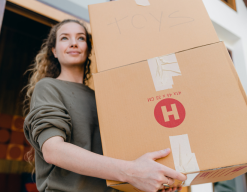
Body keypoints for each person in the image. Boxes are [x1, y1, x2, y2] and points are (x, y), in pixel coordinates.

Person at [23, 19, 187, 192]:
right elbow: (53, 150)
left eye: (81, 38)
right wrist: (133, 172)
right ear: (54, 51)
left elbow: (124, 156)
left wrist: (154, 178)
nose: (73, 43)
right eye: (65, 38)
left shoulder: (103, 99)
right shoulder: (48, 87)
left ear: (88, 49)